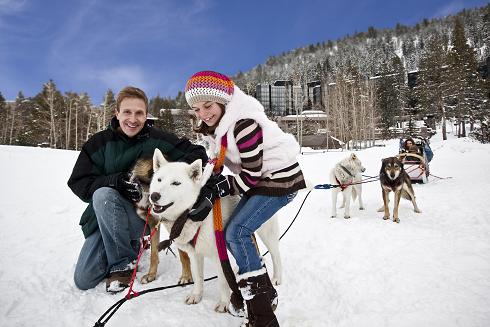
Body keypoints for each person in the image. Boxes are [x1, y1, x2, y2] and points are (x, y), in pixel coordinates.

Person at [184, 71, 306, 327]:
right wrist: (208, 179)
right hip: (263, 182)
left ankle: (261, 314)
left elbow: (250, 176)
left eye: (208, 105)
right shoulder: (218, 128)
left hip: (279, 181)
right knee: (235, 231)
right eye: (196, 109)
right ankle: (264, 291)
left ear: (223, 101)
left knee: (236, 232)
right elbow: (217, 160)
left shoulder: (243, 124)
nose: (203, 113)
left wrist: (223, 186)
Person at [68, 86, 207, 293]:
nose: (133, 119)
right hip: (106, 217)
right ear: (117, 113)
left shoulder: (158, 139)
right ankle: (126, 247)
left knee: (105, 197)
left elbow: (197, 153)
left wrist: (170, 175)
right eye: (127, 112)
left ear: (146, 115)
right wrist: (114, 180)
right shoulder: (99, 142)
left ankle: (122, 265)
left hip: (141, 219)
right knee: (84, 279)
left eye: (139, 113)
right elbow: (79, 182)